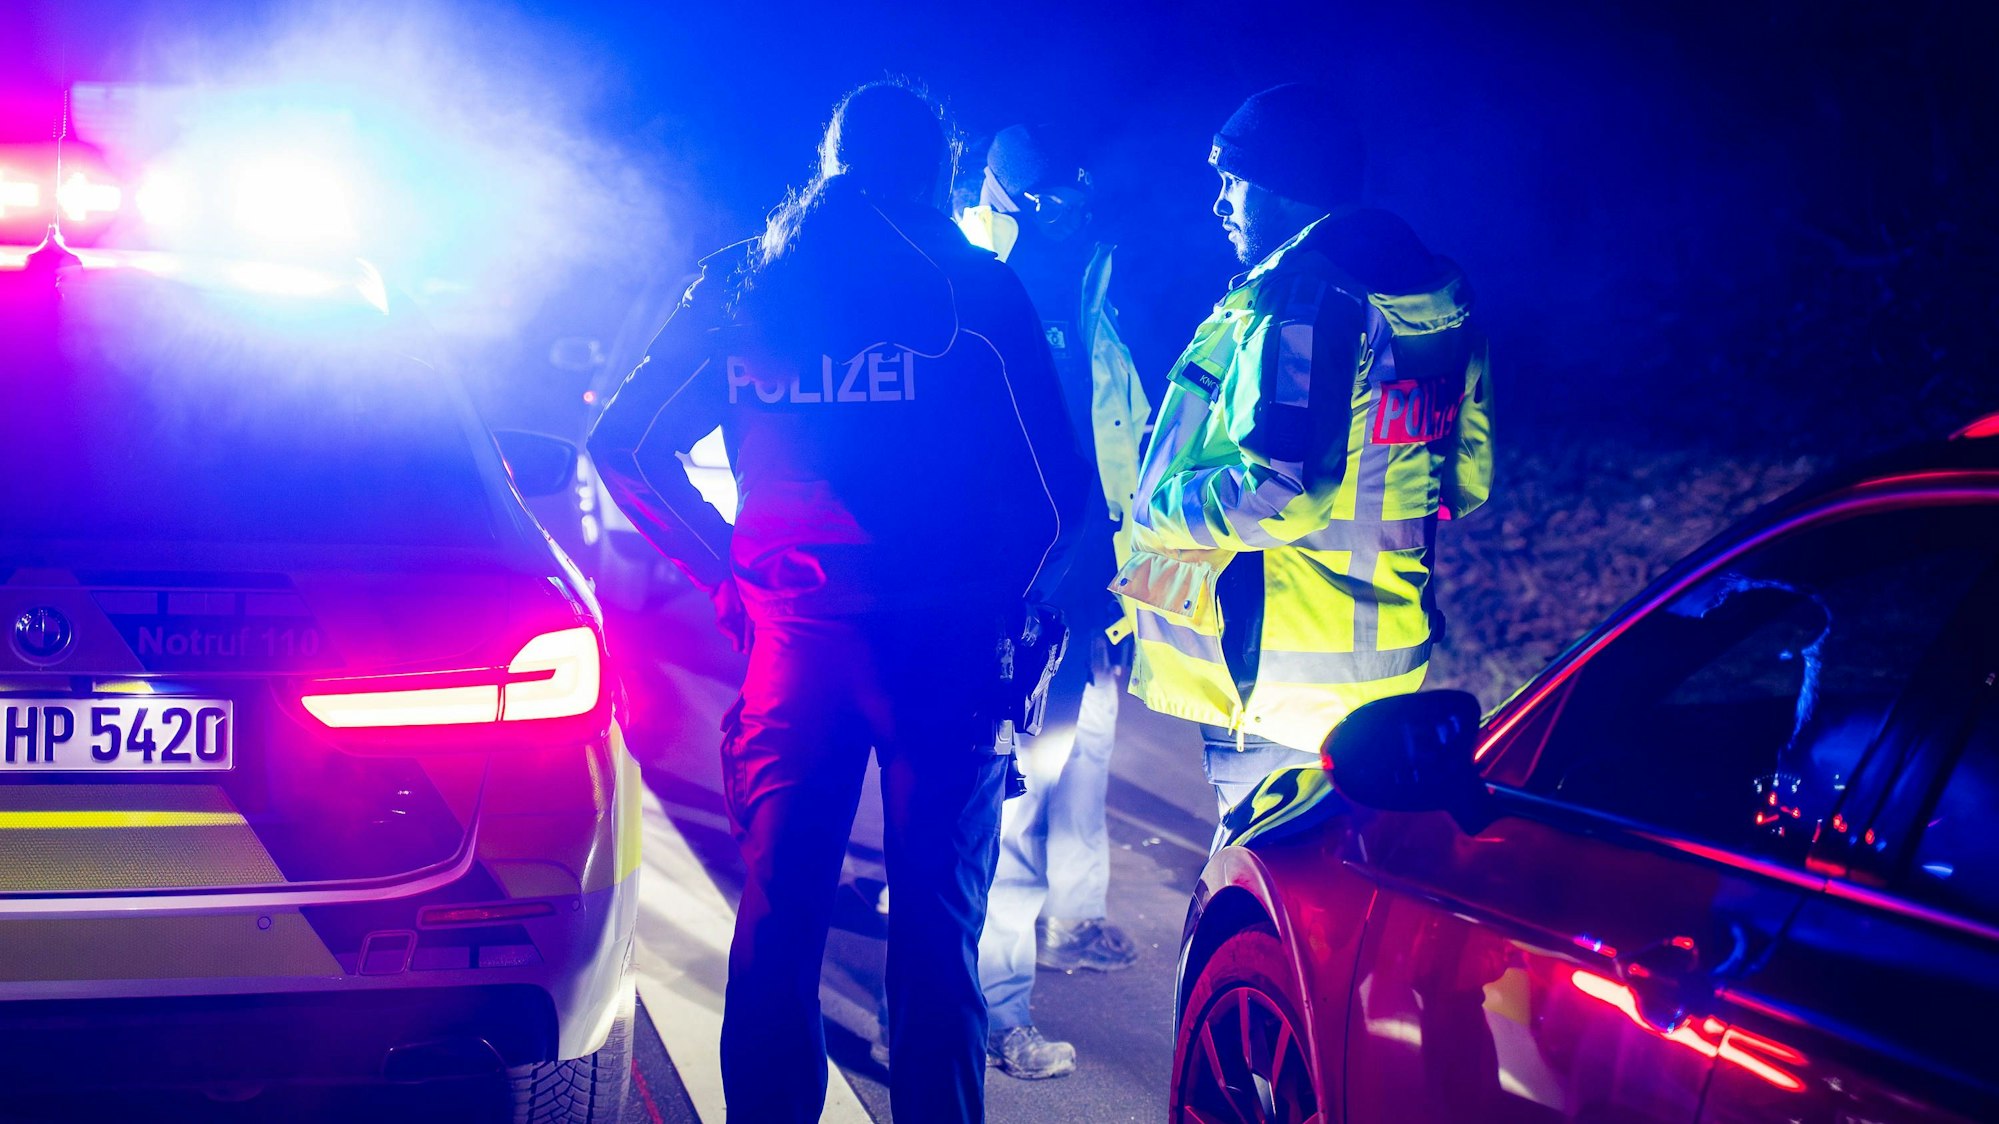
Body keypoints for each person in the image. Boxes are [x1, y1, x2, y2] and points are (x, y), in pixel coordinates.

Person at [589, 81, 1087, 1124]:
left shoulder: (747, 285)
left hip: (796, 652)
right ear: (940, 173)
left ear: (832, 164)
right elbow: (1058, 500)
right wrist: (1011, 615)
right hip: (947, 658)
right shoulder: (973, 291)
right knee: (938, 937)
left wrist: (732, 573)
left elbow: (628, 445)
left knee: (780, 921)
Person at [1113, 83, 1493, 841]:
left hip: (1276, 689)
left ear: (1286, 187)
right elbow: (1466, 481)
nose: (1219, 204)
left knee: (1263, 914)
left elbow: (1280, 491)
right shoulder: (1437, 301)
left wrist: (1154, 508)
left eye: (1234, 182)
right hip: (1384, 671)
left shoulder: (1306, 301)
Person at [951, 124, 1150, 1080]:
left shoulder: (1085, 279)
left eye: (1068, 198)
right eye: (1041, 200)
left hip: (1088, 582)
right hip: (1010, 593)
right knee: (1012, 793)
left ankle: (1065, 925)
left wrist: (1133, 575)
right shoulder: (961, 281)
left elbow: (1119, 431)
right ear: (1000, 195)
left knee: (1082, 758)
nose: (1061, 214)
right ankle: (996, 1007)